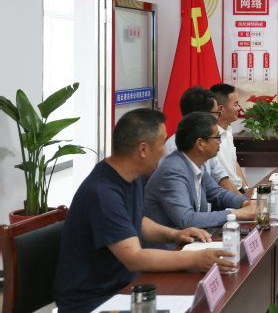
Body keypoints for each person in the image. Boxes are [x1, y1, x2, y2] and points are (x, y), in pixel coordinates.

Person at [54, 109, 237, 313]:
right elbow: (134, 258)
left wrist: (175, 234)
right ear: (143, 149)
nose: (166, 149)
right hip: (94, 300)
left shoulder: (131, 177)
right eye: (162, 142)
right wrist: (196, 258)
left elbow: (137, 222)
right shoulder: (103, 192)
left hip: (126, 287)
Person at [144, 112, 255, 247]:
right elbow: (187, 219)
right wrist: (236, 213)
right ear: (200, 143)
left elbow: (218, 193)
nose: (220, 141)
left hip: (191, 241)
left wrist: (244, 203)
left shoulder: (195, 164)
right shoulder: (173, 170)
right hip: (170, 249)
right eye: (217, 137)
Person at [161, 86, 239, 195]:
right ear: (201, 116)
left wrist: (245, 201)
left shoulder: (205, 141)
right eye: (215, 113)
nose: (217, 118)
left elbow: (219, 177)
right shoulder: (175, 149)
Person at [210, 83, 249, 193]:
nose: (238, 108)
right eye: (235, 104)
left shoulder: (228, 131)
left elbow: (234, 162)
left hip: (237, 191)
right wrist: (241, 198)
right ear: (220, 109)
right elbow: (219, 178)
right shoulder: (210, 137)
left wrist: (246, 189)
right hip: (225, 194)